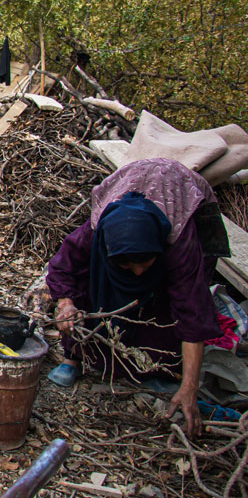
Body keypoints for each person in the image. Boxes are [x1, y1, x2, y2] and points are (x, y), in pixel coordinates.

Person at [45, 157, 229, 437]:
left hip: (180, 196)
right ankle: (74, 357)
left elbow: (192, 310)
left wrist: (190, 387)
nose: (139, 272)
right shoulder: (97, 232)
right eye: (128, 265)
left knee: (167, 302)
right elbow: (64, 267)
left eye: (146, 262)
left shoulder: (179, 243)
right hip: (132, 187)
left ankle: (160, 370)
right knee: (88, 283)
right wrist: (66, 305)